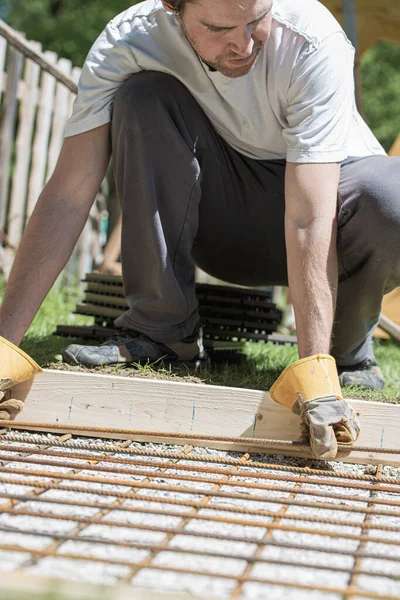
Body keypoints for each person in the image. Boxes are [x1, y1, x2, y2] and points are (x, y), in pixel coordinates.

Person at [0, 0, 399, 459]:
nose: (245, 45)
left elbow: (310, 214)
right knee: (142, 96)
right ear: (173, 8)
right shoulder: (128, 41)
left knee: (392, 197)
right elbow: (69, 193)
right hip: (222, 221)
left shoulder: (312, 40)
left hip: (326, 217)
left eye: (256, 21)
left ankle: (345, 354)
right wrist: (6, 341)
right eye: (219, 28)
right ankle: (162, 332)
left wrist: (314, 370)